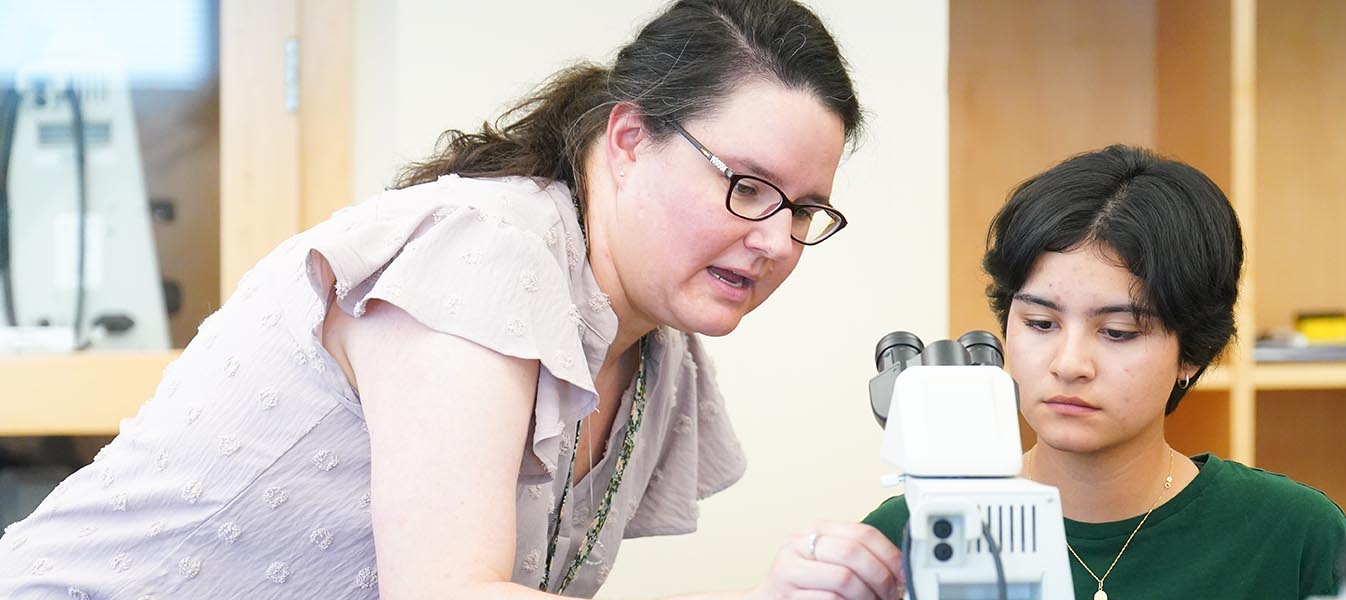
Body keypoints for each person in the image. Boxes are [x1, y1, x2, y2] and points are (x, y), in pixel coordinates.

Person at [0, 1, 903, 598]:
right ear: (627, 139)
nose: (777, 238)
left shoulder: (654, 351)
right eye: (746, 185)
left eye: (806, 209)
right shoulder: (489, 249)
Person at [862, 145, 1346, 599]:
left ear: (1193, 352)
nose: (1069, 364)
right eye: (1040, 323)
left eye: (1117, 331)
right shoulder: (910, 530)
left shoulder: (1295, 536)